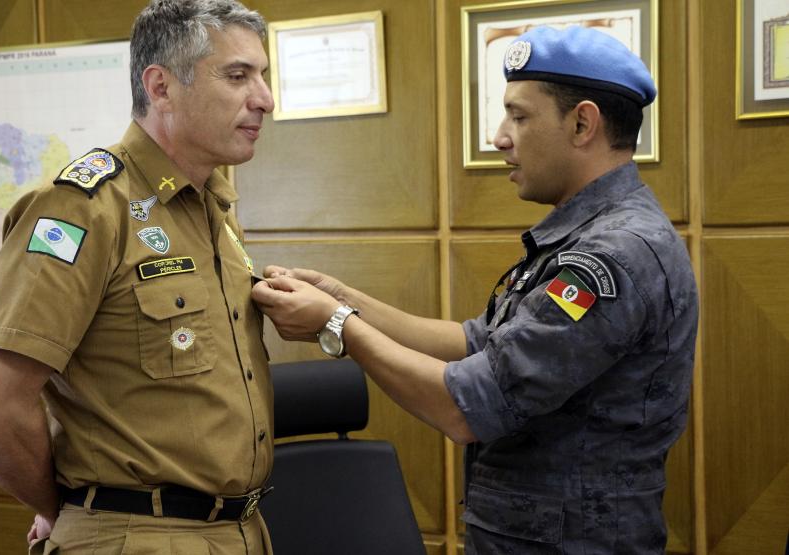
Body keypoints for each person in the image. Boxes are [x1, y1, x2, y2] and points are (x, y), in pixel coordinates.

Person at [252, 25, 697, 554]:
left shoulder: (613, 255)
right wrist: (344, 297)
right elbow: (478, 343)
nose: (500, 136)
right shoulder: (590, 234)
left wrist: (335, 325)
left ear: (582, 123)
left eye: (519, 115)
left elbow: (464, 409)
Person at [0, 1, 275, 553]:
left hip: (242, 531)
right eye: (238, 75)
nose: (265, 98)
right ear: (161, 86)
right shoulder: (84, 208)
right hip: (136, 535)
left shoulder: (215, 210)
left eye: (263, 76)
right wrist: (64, 511)